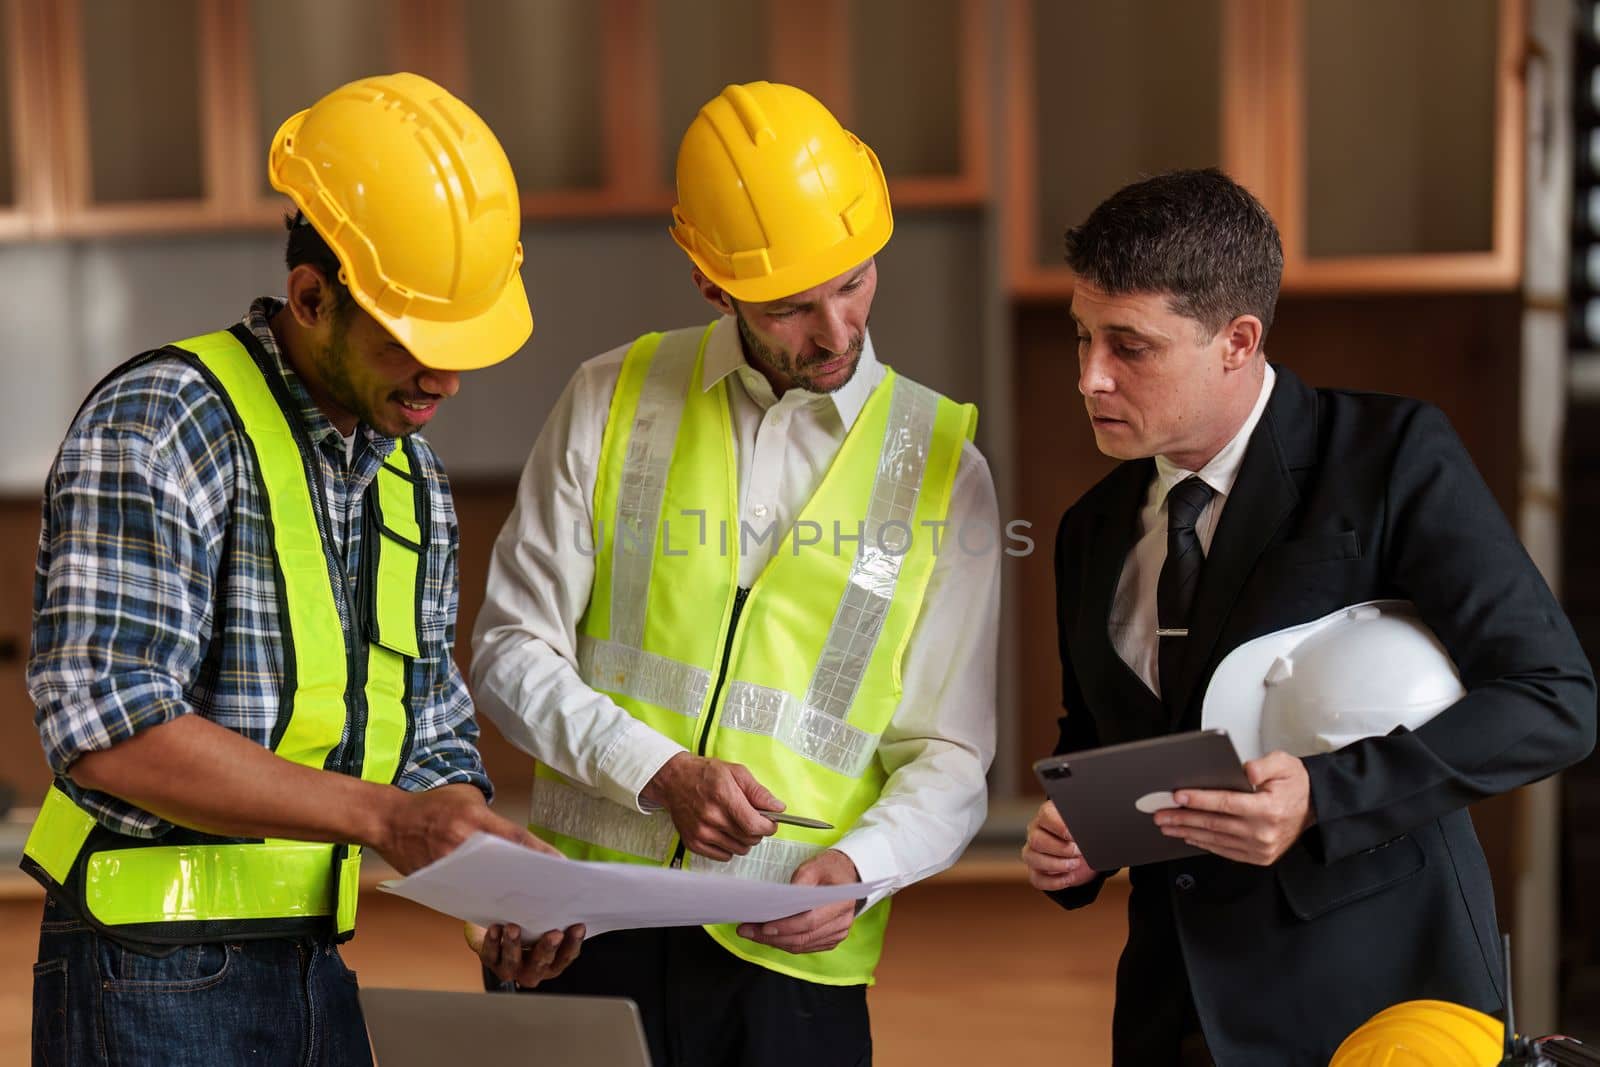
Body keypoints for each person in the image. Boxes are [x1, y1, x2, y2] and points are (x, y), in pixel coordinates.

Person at [23, 73, 581, 1067]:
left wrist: (484, 878)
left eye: (463, 347)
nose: (445, 380)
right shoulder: (164, 421)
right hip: (149, 973)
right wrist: (388, 818)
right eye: (414, 343)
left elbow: (431, 731)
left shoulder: (413, 480)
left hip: (316, 965)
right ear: (312, 296)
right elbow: (108, 725)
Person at [469, 81, 998, 1067]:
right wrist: (655, 772)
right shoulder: (611, 398)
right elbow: (508, 651)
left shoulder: (941, 469)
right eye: (793, 306)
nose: (837, 331)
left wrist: (860, 866)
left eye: (854, 281)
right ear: (714, 287)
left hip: (786, 973)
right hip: (578, 936)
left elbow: (951, 752)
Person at [1020, 168, 1596, 1065]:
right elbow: (1100, 739)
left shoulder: (1392, 455)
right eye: (1082, 337)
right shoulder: (1087, 529)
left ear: (1237, 341)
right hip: (1173, 1017)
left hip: (1383, 1002)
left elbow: (1553, 700)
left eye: (1128, 346)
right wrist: (1076, 843)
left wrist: (1326, 797)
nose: (1089, 376)